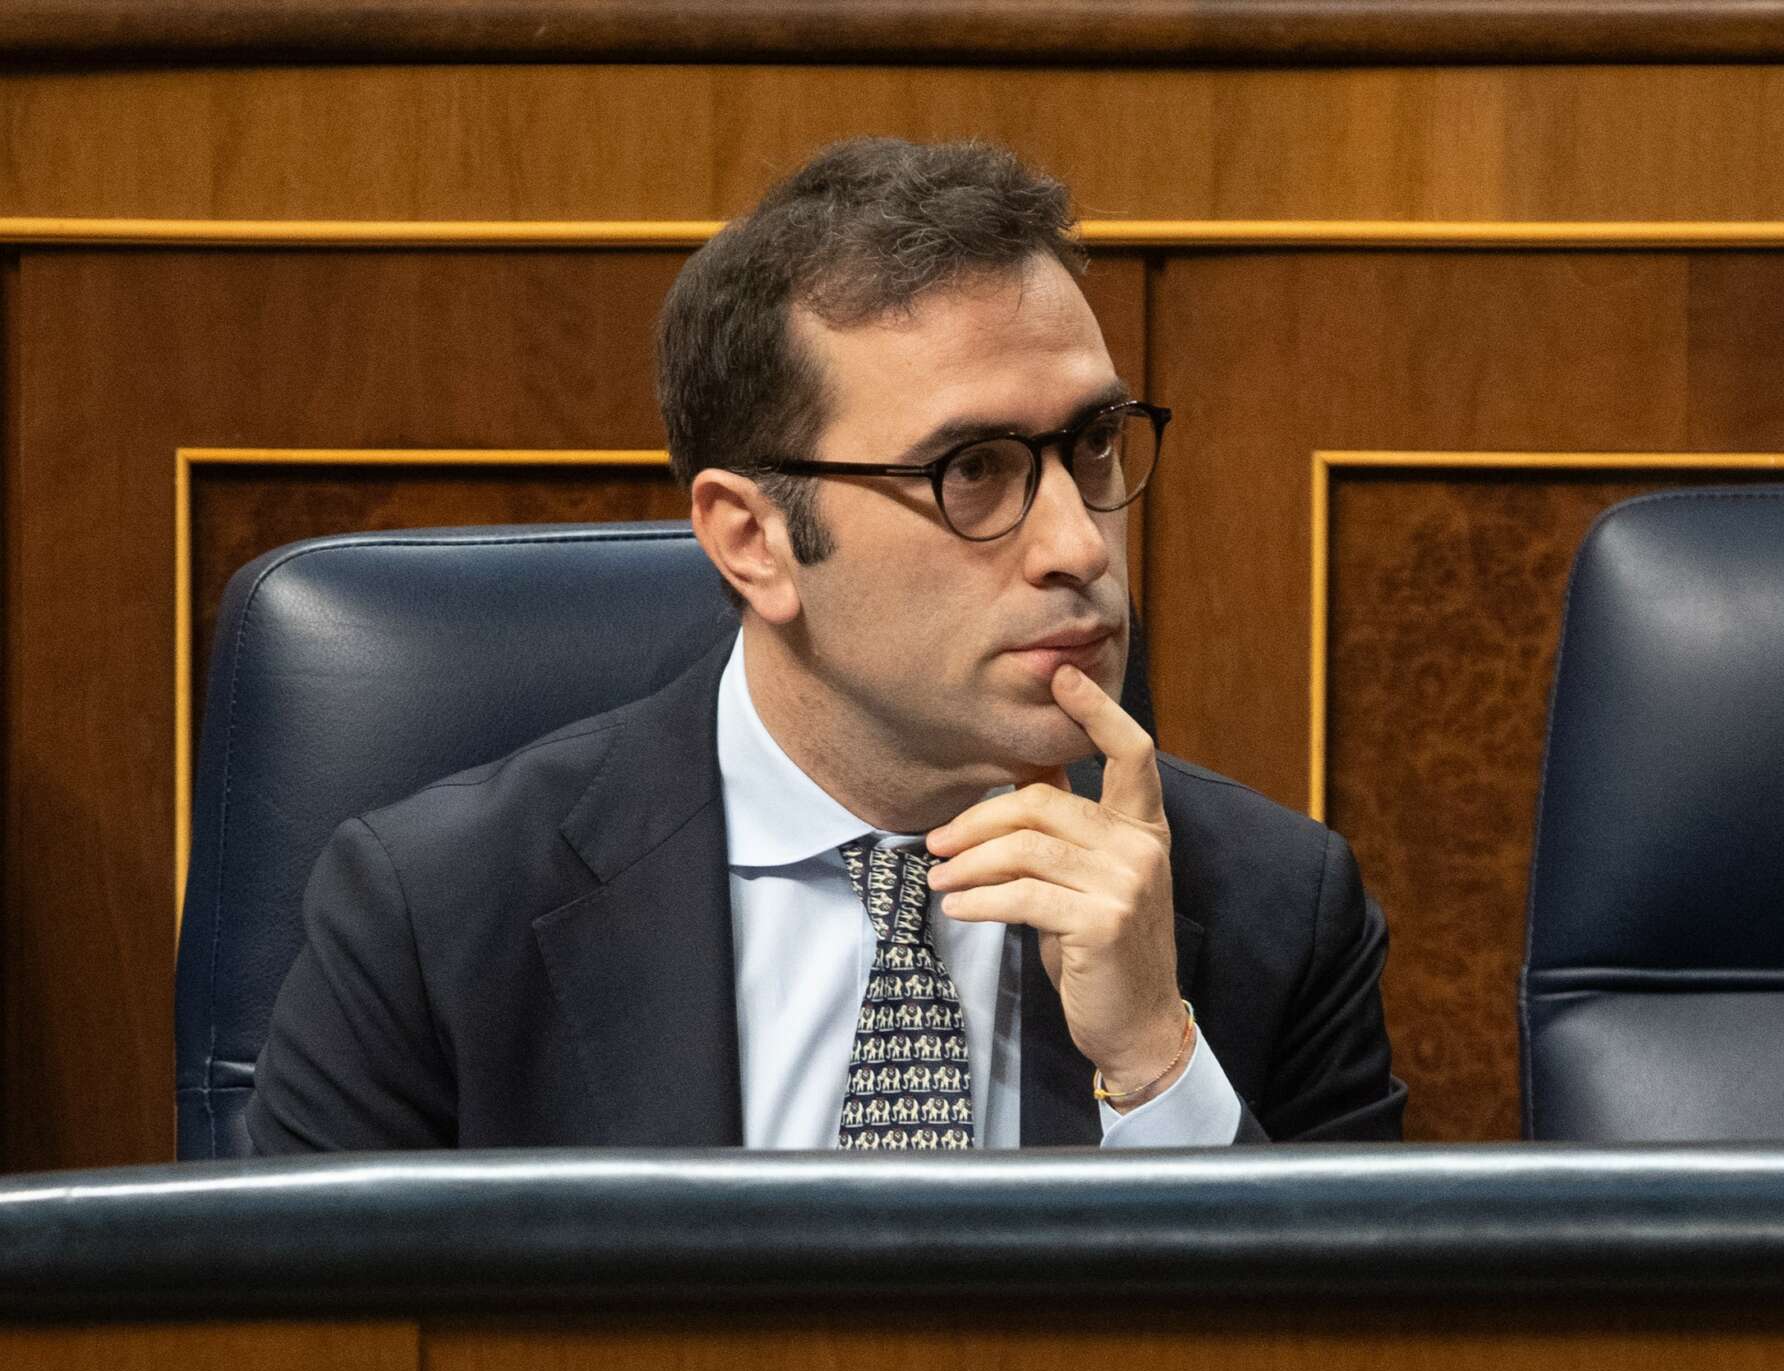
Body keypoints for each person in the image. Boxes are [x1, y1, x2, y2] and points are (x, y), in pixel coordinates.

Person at [246, 137, 1407, 1152]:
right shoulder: (437, 917)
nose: (1076, 544)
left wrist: (1155, 1063)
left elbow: (1356, 1341)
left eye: (1094, 443)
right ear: (751, 539)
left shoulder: (1274, 913)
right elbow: (304, 1336)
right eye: (972, 469)